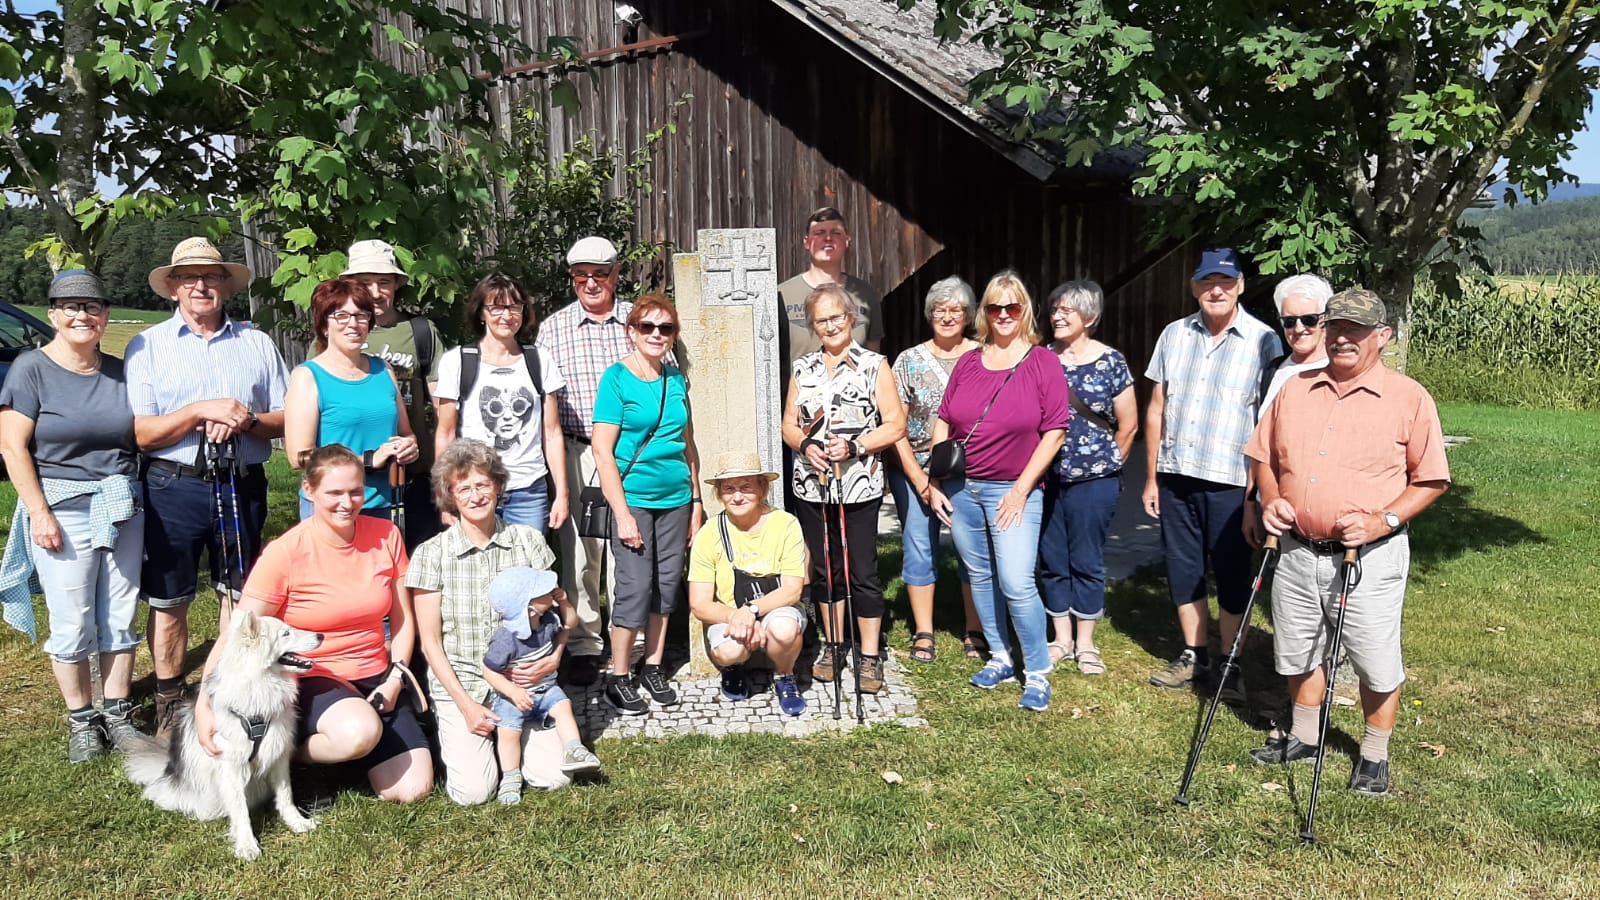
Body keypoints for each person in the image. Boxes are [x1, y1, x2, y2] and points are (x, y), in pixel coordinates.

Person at [1244, 289, 1450, 796]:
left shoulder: (1409, 398)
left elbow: (1431, 480)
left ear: (1383, 336)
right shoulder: (1294, 389)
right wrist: (1268, 499)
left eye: (1356, 330)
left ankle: (1375, 754)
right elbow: (1263, 457)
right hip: (1295, 549)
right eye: (1334, 327)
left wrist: (1383, 520)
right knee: (1296, 651)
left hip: (1368, 559)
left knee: (1374, 659)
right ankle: (1304, 735)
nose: (1342, 338)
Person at [194, 445, 432, 803]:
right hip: (312, 676)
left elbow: (402, 620)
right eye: (334, 493)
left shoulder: (387, 536)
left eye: (354, 491)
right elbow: (238, 631)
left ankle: (344, 755)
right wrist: (204, 702)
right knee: (358, 732)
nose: (346, 502)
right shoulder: (286, 552)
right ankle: (289, 758)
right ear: (309, 490)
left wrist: (397, 678)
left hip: (376, 675)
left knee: (411, 790)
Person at [125, 237, 288, 726]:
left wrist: (245, 419)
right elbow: (142, 431)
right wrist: (200, 409)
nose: (201, 286)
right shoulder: (148, 345)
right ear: (173, 287)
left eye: (212, 277)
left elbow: (285, 417)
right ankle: (170, 697)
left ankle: (225, 688)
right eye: (189, 278)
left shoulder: (256, 342)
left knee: (238, 593)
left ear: (225, 287)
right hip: (174, 484)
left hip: (241, 480)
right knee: (170, 596)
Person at [0, 270, 143, 761]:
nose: (83, 315)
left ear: (104, 315)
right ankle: (83, 720)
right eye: (70, 307)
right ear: (53, 315)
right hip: (61, 506)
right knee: (72, 618)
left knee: (120, 613)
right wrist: (39, 513)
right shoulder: (30, 369)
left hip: (123, 503)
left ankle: (118, 712)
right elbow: (12, 447)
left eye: (93, 306)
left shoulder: (123, 371)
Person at [1141, 248, 1283, 699]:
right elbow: (1157, 408)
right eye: (1206, 282)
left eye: (1225, 281)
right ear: (1195, 287)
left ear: (1241, 285)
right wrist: (1150, 477)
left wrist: (1252, 498)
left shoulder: (1265, 342)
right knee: (1183, 569)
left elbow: (1268, 424)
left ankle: (1231, 663)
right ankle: (1193, 655)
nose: (1215, 290)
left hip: (1231, 480)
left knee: (1233, 574)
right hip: (1177, 474)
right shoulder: (1173, 334)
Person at [928, 271, 1068, 712]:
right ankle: (1001, 655)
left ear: (1025, 309)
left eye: (1012, 307)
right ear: (984, 313)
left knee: (1016, 581)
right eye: (994, 307)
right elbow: (944, 420)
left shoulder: (1043, 361)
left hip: (1014, 490)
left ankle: (1038, 669)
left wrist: (1022, 490)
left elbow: (1055, 432)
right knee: (980, 577)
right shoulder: (970, 361)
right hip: (963, 488)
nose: (1004, 315)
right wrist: (935, 480)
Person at [409, 440, 577, 805]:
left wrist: (555, 657)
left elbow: (558, 612)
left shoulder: (528, 541)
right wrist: (466, 706)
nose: (475, 495)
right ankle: (472, 739)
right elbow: (430, 644)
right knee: (473, 793)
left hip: (525, 684)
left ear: (498, 487)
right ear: (450, 496)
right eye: (464, 487)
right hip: (465, 683)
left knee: (553, 777)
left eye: (483, 484)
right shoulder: (431, 554)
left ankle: (515, 746)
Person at [782, 284, 906, 694]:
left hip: (859, 483)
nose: (831, 325)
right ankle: (834, 645)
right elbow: (788, 424)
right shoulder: (803, 369)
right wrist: (806, 444)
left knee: (863, 572)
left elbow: (894, 424)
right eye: (822, 320)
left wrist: (855, 445)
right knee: (824, 569)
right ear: (813, 326)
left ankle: (869, 655)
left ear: (851, 318)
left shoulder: (874, 365)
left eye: (837, 317)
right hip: (812, 484)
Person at [591, 295, 703, 715]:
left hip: (676, 499)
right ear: (631, 331)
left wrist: (695, 500)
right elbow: (603, 451)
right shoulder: (616, 379)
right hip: (634, 499)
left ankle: (652, 666)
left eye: (665, 328)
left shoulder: (676, 380)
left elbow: (687, 445)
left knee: (666, 584)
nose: (657, 335)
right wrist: (621, 514)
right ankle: (620, 674)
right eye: (647, 327)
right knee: (635, 586)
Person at [536, 236, 636, 687]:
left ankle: (626, 640)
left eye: (600, 273)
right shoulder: (553, 329)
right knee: (581, 551)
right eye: (581, 275)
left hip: (632, 452)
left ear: (617, 274)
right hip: (579, 450)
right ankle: (583, 643)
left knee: (629, 548)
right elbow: (543, 402)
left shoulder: (640, 321)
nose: (591, 283)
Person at [1038, 280, 1137, 676]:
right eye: (1056, 309)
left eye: (1068, 311)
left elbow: (1127, 426)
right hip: (1046, 478)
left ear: (1090, 317)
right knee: (1052, 558)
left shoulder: (1111, 361)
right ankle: (1060, 639)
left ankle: (1087, 643)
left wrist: (1106, 464)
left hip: (1095, 482)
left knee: (1087, 559)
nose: (1058, 316)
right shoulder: (1041, 358)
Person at [888, 276, 981, 664]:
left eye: (955, 310)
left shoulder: (985, 356)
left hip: (972, 471)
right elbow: (894, 425)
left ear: (968, 315)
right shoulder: (908, 361)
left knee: (973, 550)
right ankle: (924, 631)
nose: (947, 316)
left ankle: (976, 628)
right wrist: (920, 480)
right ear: (929, 314)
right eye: (940, 310)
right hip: (915, 468)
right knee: (918, 546)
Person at [434, 274, 568, 532]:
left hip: (528, 490)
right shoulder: (457, 362)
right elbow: (445, 432)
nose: (507, 316)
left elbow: (551, 433)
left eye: (514, 307)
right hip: (473, 489)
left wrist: (561, 493)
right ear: (481, 313)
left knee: (528, 569)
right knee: (476, 570)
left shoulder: (539, 360)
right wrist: (445, 497)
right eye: (496, 307)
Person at [283, 277, 420, 519]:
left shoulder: (383, 369)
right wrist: (368, 460)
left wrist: (409, 447)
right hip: (333, 510)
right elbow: (298, 457)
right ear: (324, 325)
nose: (353, 324)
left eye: (361, 315)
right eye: (341, 316)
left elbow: (405, 433)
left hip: (386, 506)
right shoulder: (308, 376)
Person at [686, 451, 808, 715]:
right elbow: (699, 603)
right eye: (729, 488)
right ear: (719, 493)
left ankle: (784, 675)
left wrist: (751, 611)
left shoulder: (786, 524)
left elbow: (792, 589)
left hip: (776, 608)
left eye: (746, 487)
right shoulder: (709, 533)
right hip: (730, 615)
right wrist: (737, 617)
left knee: (784, 629)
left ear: (762, 489)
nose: (737, 496)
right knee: (730, 650)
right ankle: (733, 668)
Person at [345, 240, 446, 549]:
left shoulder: (420, 331)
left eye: (384, 282)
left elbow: (444, 408)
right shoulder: (337, 333)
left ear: (396, 285)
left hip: (414, 472)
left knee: (419, 564)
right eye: (364, 283)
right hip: (352, 474)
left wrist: (442, 471)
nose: (375, 292)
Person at [481, 566, 602, 805]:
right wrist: (512, 691)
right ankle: (511, 776)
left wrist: (564, 601)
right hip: (513, 699)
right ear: (529, 608)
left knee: (563, 706)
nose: (552, 591)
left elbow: (570, 623)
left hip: (546, 690)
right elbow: (490, 671)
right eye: (544, 591)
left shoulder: (548, 620)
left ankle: (573, 749)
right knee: (508, 733)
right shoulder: (506, 640)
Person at [777, 206, 885, 368]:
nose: (828, 238)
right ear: (806, 242)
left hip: (854, 391)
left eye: (835, 233)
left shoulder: (865, 294)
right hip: (800, 391)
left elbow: (874, 360)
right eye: (819, 233)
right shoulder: (781, 295)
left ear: (847, 240)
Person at [1259, 274, 1332, 414]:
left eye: (1309, 319)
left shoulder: (1337, 373)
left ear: (1325, 319)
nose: (1299, 329)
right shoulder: (1273, 370)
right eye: (1289, 321)